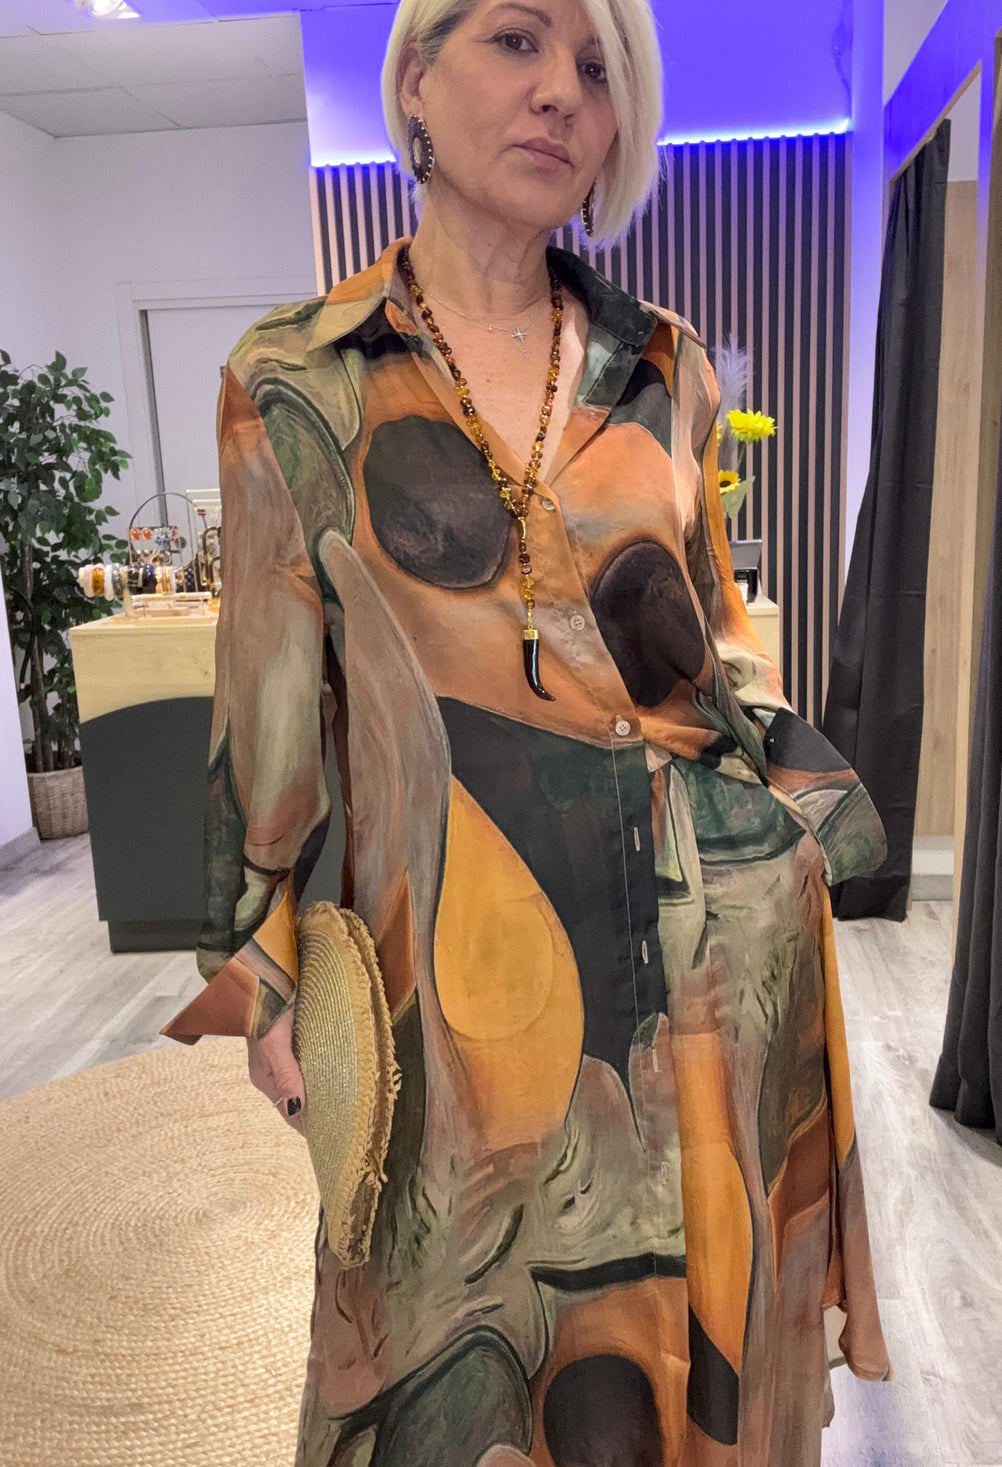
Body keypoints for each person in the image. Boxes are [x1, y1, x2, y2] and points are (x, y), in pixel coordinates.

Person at [160, 0, 894, 1460]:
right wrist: (266, 970)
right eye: (517, 40)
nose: (563, 90)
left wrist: (801, 819)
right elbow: (271, 706)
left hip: (702, 966)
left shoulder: (666, 366)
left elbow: (708, 634)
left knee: (681, 1370)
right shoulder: (298, 377)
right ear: (415, 82)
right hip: (452, 986)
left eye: (598, 68)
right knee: (445, 1357)